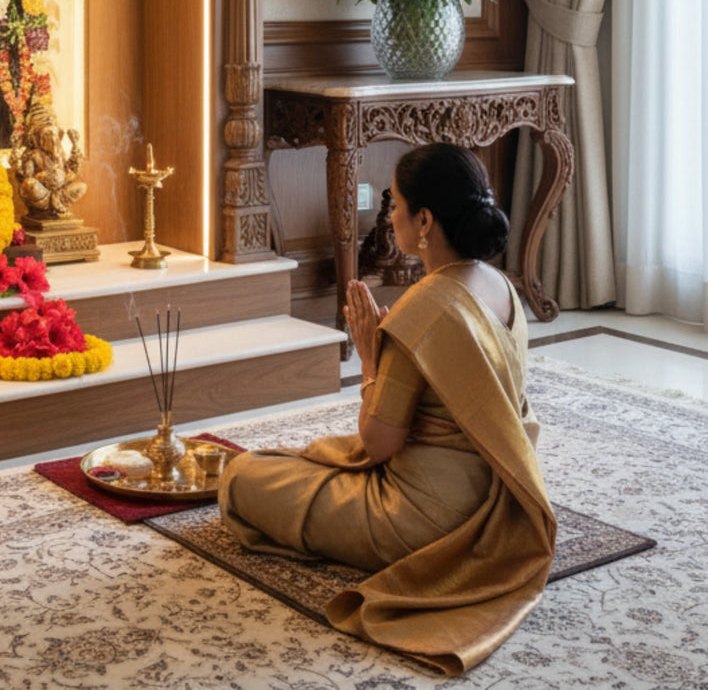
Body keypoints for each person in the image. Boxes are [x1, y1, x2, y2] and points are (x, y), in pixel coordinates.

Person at [219, 143, 556, 675]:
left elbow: (378, 444)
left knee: (242, 476)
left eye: (394, 202)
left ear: (424, 220)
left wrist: (372, 357)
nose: (389, 213)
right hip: (489, 502)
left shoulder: (424, 306)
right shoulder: (502, 289)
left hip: (420, 520)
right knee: (302, 461)